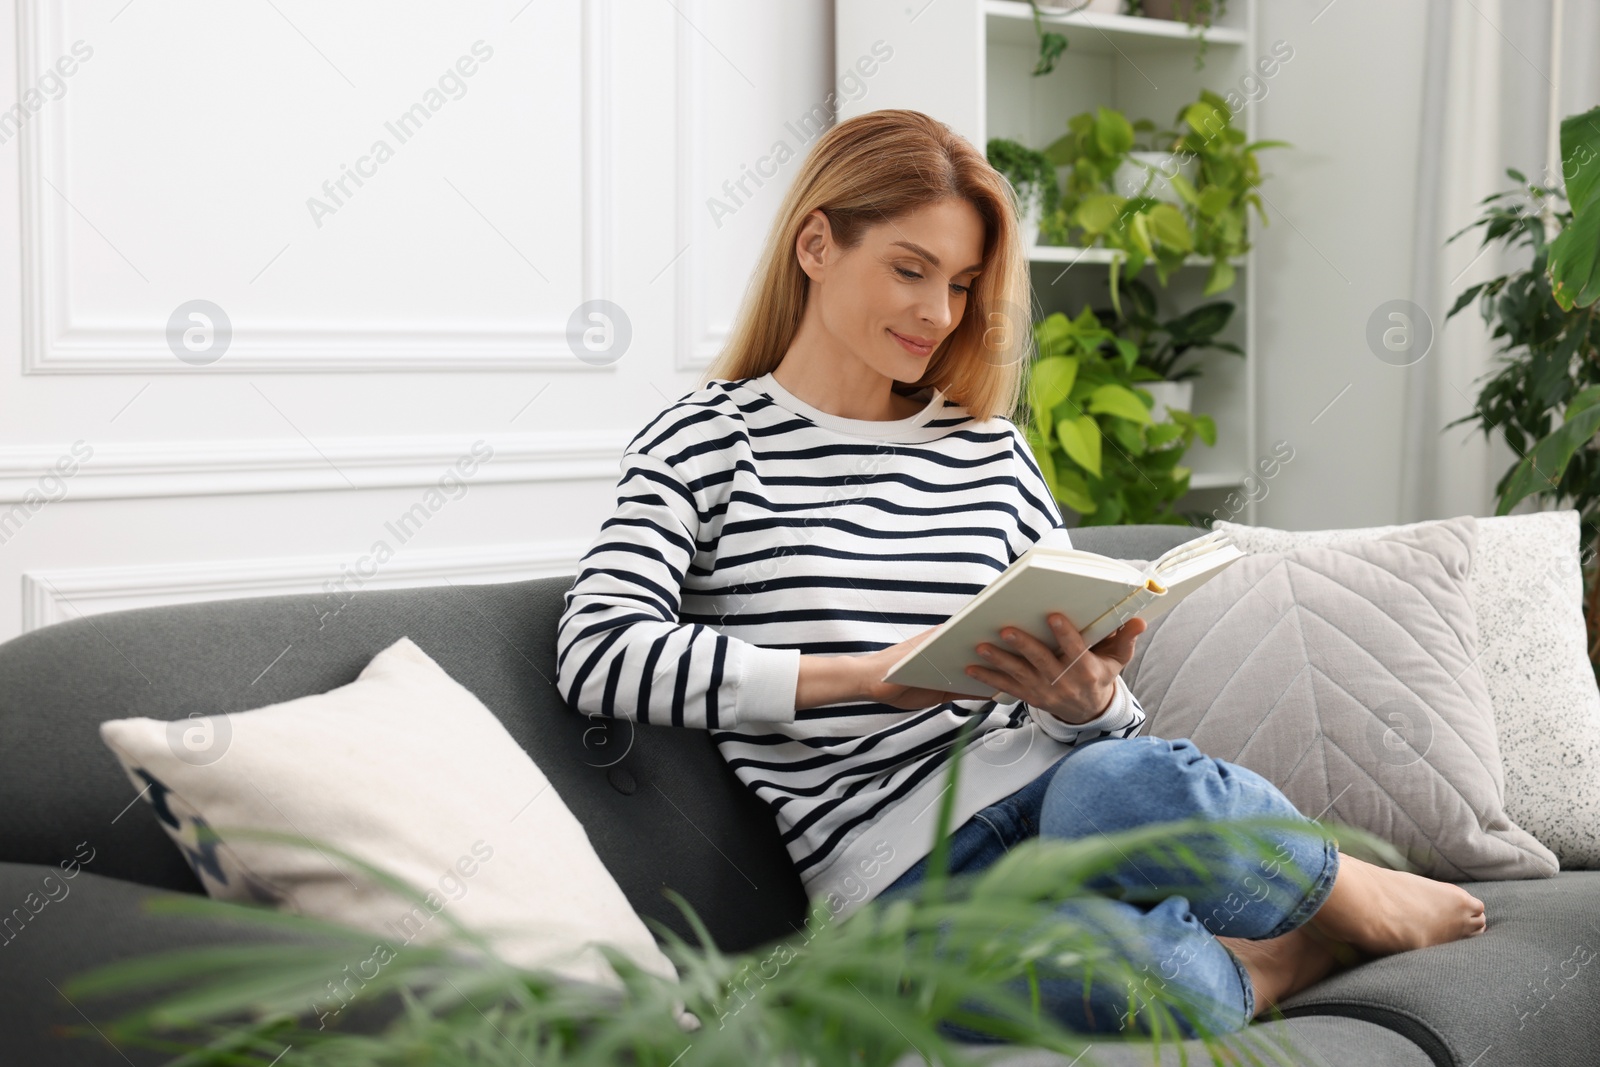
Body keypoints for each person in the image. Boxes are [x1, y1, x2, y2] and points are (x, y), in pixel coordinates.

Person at [553, 107, 1487, 1041]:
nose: (938, 314)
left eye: (960, 285)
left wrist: (1087, 700)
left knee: (1114, 780)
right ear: (816, 244)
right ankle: (1275, 956)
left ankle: (1346, 886)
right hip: (899, 885)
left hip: (1061, 794)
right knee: (1125, 973)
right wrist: (870, 677)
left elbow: (1119, 730)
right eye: (910, 270)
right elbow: (598, 651)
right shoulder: (707, 442)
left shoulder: (986, 453)